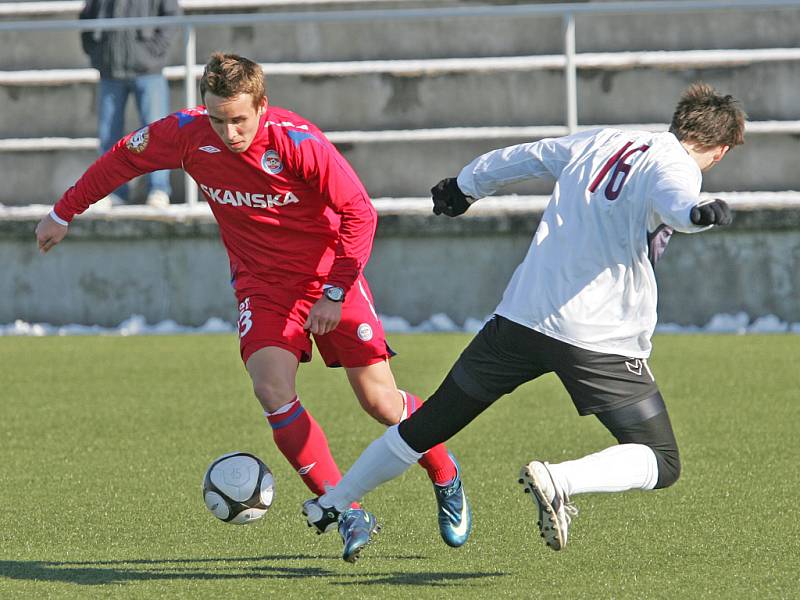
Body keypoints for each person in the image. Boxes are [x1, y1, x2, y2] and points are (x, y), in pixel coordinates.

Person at [34, 52, 471, 562]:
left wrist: (333, 292)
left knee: (380, 402)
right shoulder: (187, 132)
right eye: (218, 119)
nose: (228, 132)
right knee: (270, 387)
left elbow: (359, 212)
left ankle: (445, 472)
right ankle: (345, 509)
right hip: (263, 286)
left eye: (239, 119)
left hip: (329, 277)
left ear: (262, 106)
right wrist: (63, 211)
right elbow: (122, 159)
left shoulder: (296, 140)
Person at [303, 82, 745, 557]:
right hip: (596, 336)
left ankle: (335, 499)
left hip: (519, 319)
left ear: (678, 121)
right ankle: (560, 480)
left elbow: (528, 155)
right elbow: (677, 200)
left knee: (429, 422)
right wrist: (697, 214)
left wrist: (464, 186)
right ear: (719, 151)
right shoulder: (677, 163)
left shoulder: (603, 139)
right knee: (662, 461)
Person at [80, 0, 181, 208]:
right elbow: (86, 17)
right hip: (110, 70)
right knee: (109, 135)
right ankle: (115, 192)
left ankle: (159, 189)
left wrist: (152, 53)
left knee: (157, 133)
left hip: (148, 71)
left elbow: (171, 16)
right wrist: (97, 52)